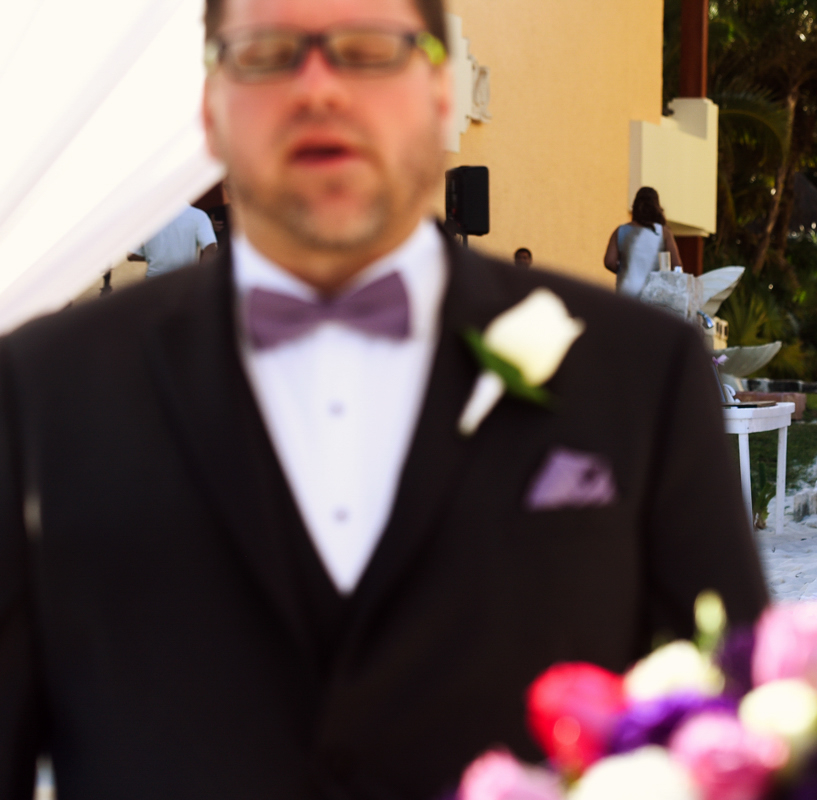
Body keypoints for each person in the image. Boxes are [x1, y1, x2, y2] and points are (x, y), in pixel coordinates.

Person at [0, 1, 769, 798]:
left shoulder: (637, 373)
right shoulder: (44, 390)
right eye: (267, 54)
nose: (320, 89)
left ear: (442, 93)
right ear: (210, 105)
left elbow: (738, 731)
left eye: (368, 51)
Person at [603, 186, 682, 296]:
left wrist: (625, 271)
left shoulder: (621, 230)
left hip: (625, 292)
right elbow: (676, 265)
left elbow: (609, 262)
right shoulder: (664, 233)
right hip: (653, 294)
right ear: (657, 207)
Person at [130, 204, 219, 276]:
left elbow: (132, 255)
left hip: (154, 281)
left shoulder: (146, 218)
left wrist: (158, 255)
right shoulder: (198, 216)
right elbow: (211, 248)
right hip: (184, 280)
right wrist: (201, 275)